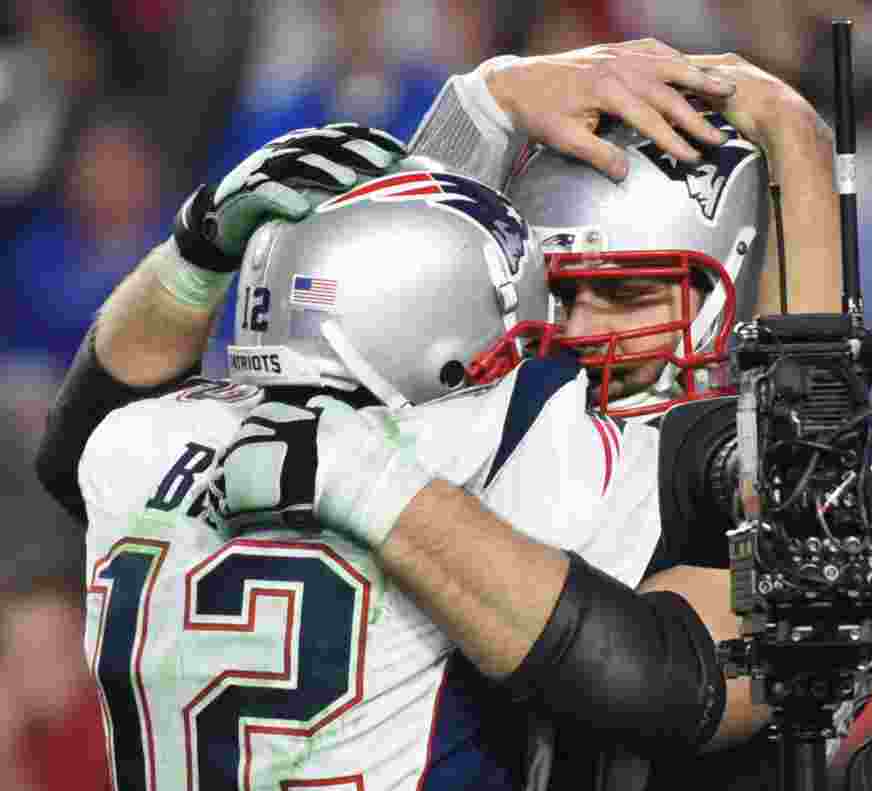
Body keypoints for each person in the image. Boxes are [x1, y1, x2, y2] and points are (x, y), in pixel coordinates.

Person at [214, 48, 872, 791]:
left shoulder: (861, 501)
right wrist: (487, 101)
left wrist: (796, 144)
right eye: (562, 294)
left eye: (626, 295)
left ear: (739, 276)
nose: (578, 330)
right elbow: (394, 277)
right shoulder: (515, 432)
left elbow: (801, 470)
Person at [35, 43, 752, 790]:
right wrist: (793, 143)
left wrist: (196, 250)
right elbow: (687, 679)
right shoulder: (500, 440)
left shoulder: (143, 439)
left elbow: (76, 445)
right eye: (551, 302)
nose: (566, 339)